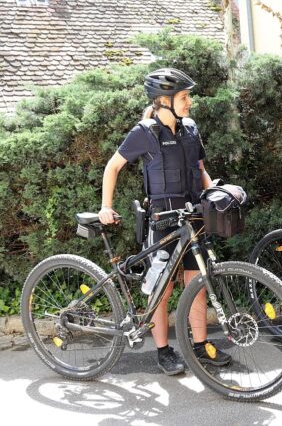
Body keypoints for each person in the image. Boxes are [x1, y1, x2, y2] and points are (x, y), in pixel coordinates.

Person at [98, 68, 231, 375]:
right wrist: (106, 206)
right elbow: (113, 167)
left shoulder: (190, 128)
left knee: (197, 284)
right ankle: (163, 350)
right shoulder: (144, 132)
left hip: (194, 216)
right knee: (162, 288)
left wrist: (214, 194)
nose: (190, 102)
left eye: (188, 96)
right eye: (184, 97)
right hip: (163, 221)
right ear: (162, 100)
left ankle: (200, 347)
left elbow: (199, 169)